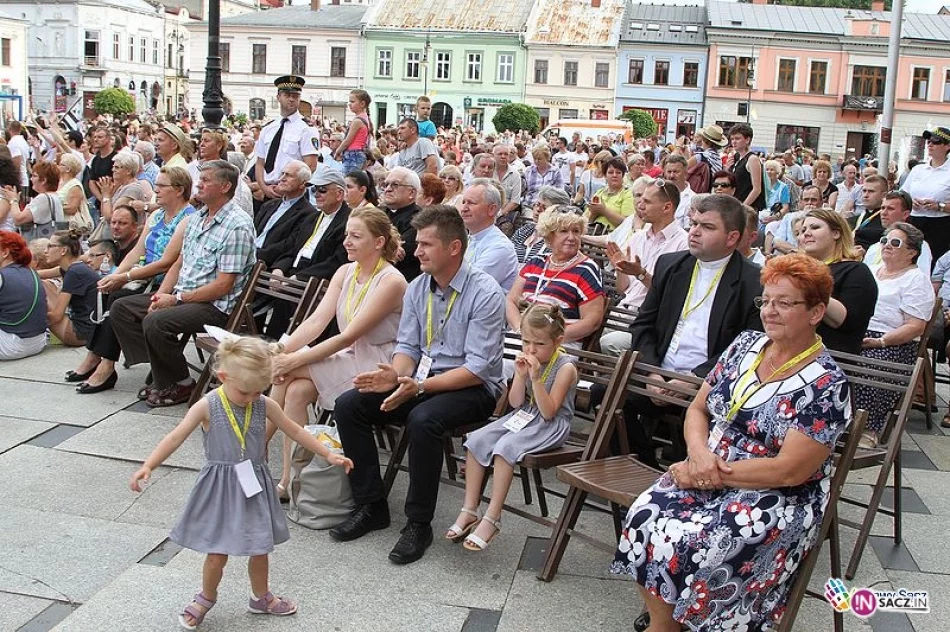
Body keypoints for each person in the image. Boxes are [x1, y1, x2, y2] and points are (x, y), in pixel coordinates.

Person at [613, 254, 851, 632]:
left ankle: (686, 621)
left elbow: (790, 470)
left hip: (776, 492)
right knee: (647, 514)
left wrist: (708, 475)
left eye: (784, 303)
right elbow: (697, 409)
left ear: (816, 312)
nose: (770, 311)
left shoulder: (826, 384)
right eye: (766, 301)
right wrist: (698, 454)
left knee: (710, 539)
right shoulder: (746, 345)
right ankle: (666, 623)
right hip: (708, 463)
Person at [129, 336, 353, 629]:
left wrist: (328, 453)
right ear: (223, 377)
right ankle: (205, 597)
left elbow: (295, 430)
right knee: (216, 552)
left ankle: (261, 597)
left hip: (254, 483)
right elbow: (176, 436)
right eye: (245, 392)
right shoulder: (207, 405)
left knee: (260, 547)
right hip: (221, 487)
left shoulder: (264, 403)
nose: (251, 399)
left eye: (258, 391)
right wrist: (149, 465)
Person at [329, 206, 506, 565]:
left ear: (454, 247)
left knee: (423, 420)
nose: (416, 251)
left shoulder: (485, 292)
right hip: (421, 379)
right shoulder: (417, 288)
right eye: (417, 242)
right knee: (351, 405)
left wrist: (418, 386)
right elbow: (407, 347)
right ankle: (372, 505)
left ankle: (418, 523)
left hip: (472, 388)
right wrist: (394, 375)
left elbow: (477, 369)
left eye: (426, 244)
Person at [269, 207, 407, 498]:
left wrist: (291, 360)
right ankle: (290, 478)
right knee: (294, 390)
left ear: (379, 242)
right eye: (347, 235)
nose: (347, 241)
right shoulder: (345, 271)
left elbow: (348, 336)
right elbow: (317, 321)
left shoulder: (392, 280)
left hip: (378, 363)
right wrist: (282, 348)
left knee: (283, 372)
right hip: (349, 356)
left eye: (356, 236)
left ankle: (253, 452)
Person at [623, 194, 763, 467]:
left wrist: (695, 379)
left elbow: (747, 349)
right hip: (659, 374)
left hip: (711, 383)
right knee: (605, 395)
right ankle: (646, 468)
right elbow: (643, 325)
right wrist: (652, 372)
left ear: (732, 238)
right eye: (693, 223)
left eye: (707, 227)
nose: (694, 232)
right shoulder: (671, 265)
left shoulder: (753, 281)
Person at [111, 160, 256, 407]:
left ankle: (180, 383)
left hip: (215, 306)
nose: (199, 184)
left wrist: (175, 300)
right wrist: (162, 295)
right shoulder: (198, 217)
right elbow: (179, 263)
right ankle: (162, 371)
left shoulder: (237, 225)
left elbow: (223, 286)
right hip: (184, 295)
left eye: (206, 180)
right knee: (121, 308)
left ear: (225, 186)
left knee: (155, 322)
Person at [447, 303, 578, 551]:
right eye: (526, 342)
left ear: (558, 340)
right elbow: (516, 402)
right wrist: (519, 375)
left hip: (551, 424)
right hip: (525, 415)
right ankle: (469, 508)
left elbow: (550, 412)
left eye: (539, 344)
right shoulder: (527, 358)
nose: (531, 349)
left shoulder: (566, 367)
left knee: (505, 447)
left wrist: (536, 379)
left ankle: (493, 517)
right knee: (477, 440)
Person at [69, 168, 196, 394]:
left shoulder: (188, 218)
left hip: (168, 282)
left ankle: (106, 365)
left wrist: (126, 277)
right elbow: (137, 250)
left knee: (118, 298)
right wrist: (115, 274)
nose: (155, 189)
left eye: (161, 185)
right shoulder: (157, 215)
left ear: (178, 190)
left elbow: (168, 262)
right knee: (107, 290)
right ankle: (95, 356)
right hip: (146, 276)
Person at [853, 222, 935, 447]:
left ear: (912, 252)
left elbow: (915, 326)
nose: (887, 245)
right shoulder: (870, 271)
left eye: (895, 243)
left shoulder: (916, 280)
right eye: (884, 241)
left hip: (893, 342)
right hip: (859, 331)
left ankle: (867, 428)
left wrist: (881, 341)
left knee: (871, 366)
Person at [601, 180, 689, 354]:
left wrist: (641, 274)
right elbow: (622, 288)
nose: (639, 205)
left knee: (608, 341)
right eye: (639, 198)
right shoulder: (638, 237)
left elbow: (669, 295)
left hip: (648, 320)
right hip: (622, 311)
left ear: (666, 207)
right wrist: (620, 267)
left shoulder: (683, 244)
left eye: (647, 201)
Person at [507, 208, 605, 346]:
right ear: (549, 236)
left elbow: (592, 321)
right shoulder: (536, 262)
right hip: (522, 336)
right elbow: (511, 300)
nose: (571, 237)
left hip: (560, 342)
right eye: (564, 231)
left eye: (576, 231)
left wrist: (550, 339)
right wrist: (520, 329)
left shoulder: (587, 269)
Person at [796, 207, 877, 355]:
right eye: (802, 231)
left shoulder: (856, 271)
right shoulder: (799, 271)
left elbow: (846, 321)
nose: (806, 233)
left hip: (833, 360)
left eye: (815, 227)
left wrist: (806, 280)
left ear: (836, 233)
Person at [255, 75, 319, 202]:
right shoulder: (269, 128)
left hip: (292, 194)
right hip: (267, 191)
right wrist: (263, 187)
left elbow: (310, 166)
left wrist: (283, 187)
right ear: (278, 97)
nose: (291, 99)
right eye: (287, 95)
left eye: (295, 96)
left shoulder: (306, 129)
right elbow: (260, 162)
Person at [253, 161, 315, 270]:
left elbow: (288, 245)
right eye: (283, 174)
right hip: (248, 255)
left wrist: (255, 254)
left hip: (266, 264)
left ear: (302, 183)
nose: (282, 178)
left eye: (289, 175)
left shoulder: (308, 213)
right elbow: (252, 231)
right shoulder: (269, 205)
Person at [459, 178, 519, 292]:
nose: (464, 208)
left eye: (471, 203)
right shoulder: (467, 239)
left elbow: (468, 286)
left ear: (492, 209)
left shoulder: (500, 247)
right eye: (463, 202)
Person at [42, 229, 98, 347]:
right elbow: (39, 274)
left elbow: (57, 316)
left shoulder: (74, 272)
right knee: (44, 283)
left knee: (40, 287)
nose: (45, 251)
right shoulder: (73, 268)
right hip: (89, 329)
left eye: (50, 246)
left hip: (79, 333)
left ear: (63, 250)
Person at [902, 126, 950, 261]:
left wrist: (939, 206)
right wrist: (912, 202)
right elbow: (903, 195)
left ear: (947, 146)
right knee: (911, 259)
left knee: (935, 261)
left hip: (941, 225)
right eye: (928, 141)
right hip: (915, 221)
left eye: (936, 141)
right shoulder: (918, 169)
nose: (930, 144)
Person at [0, 231, 48, 360]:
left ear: (5, 253)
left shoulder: (2, 275)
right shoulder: (32, 273)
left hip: (10, 345)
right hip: (39, 342)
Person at [863, 190, 933, 272]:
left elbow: (922, 279)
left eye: (890, 209)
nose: (883, 213)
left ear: (905, 214)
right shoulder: (874, 248)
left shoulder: (919, 246)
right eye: (882, 208)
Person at [380, 167, 423, 280]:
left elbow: (396, 255)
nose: (387, 189)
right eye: (386, 184)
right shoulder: (377, 212)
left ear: (411, 192)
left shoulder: (420, 219)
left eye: (395, 184)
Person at [511, 187, 572, 263]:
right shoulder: (524, 230)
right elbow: (508, 255)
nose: (538, 209)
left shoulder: (558, 239)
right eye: (537, 204)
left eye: (544, 207)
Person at [11, 161, 62, 241]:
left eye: (34, 176)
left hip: (40, 245)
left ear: (44, 180)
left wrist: (13, 200)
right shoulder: (55, 196)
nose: (31, 179)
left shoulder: (43, 198)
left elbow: (18, 219)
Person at [97, 151, 150, 225]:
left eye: (117, 167)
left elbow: (110, 217)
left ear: (128, 171)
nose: (113, 170)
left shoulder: (132, 189)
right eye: (113, 167)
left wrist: (106, 195)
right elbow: (103, 213)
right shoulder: (122, 186)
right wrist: (106, 195)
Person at [587, 157, 634, 230]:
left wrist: (604, 211)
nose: (614, 175)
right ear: (605, 175)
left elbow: (628, 223)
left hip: (613, 236)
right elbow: (585, 221)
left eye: (618, 172)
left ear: (623, 175)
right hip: (593, 232)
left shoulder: (628, 194)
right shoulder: (599, 193)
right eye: (610, 172)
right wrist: (593, 214)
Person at [334, 90, 373, 175]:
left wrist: (337, 151)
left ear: (362, 104)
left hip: (353, 154)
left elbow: (348, 140)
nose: (349, 104)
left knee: (348, 180)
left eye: (352, 101)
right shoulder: (365, 118)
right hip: (359, 152)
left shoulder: (357, 121)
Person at [728, 123, 765, 212]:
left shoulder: (752, 159)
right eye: (732, 139)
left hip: (748, 208)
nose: (734, 142)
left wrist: (743, 207)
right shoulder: (735, 157)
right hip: (734, 204)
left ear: (747, 140)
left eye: (737, 138)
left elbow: (757, 189)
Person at [850, 174, 889, 252]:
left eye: (871, 191)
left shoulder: (887, 218)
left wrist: (866, 251)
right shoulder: (861, 216)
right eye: (864, 191)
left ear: (883, 195)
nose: (865, 195)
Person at [56, 154, 93, 232]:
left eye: (60, 165)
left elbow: (72, 208)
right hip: (60, 222)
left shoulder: (75, 185)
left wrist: (53, 207)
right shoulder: (59, 182)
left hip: (71, 226)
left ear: (68, 169)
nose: (57, 166)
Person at [523, 146, 565, 212]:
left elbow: (560, 192)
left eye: (539, 159)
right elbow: (523, 191)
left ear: (547, 158)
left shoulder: (555, 172)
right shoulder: (528, 171)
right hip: (529, 206)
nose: (536, 161)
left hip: (548, 208)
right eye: (535, 159)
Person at [662, 154, 695, 229]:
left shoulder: (692, 199)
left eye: (676, 172)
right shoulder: (657, 195)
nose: (671, 176)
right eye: (669, 172)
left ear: (685, 174)